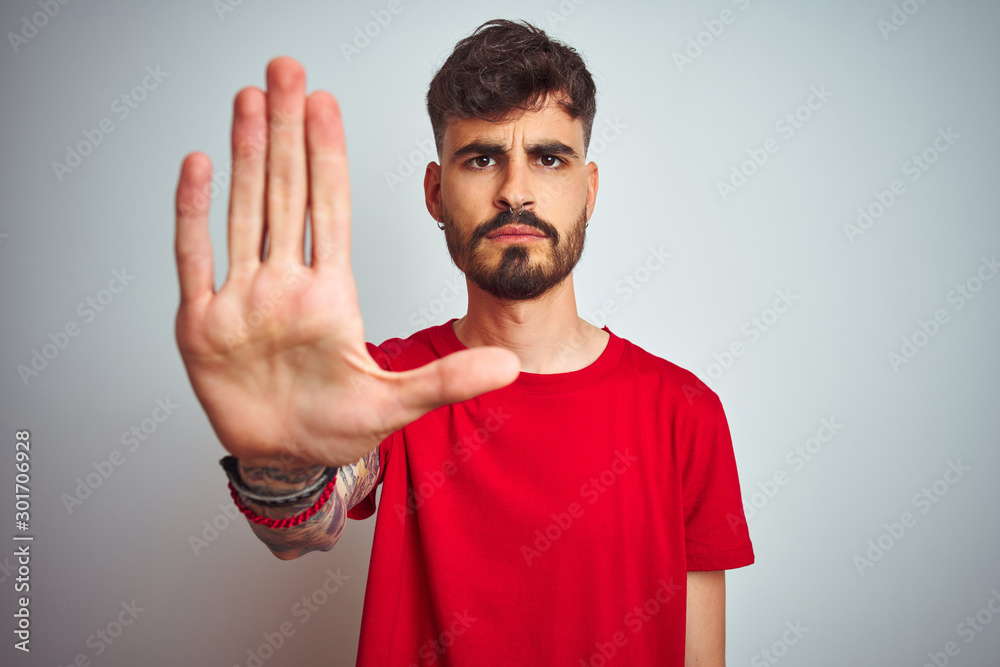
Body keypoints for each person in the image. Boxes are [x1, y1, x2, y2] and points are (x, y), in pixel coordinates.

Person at [173, 18, 754, 667]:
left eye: (549, 157)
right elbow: (304, 528)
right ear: (434, 191)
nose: (515, 191)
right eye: (482, 158)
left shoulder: (686, 411)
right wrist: (277, 463)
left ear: (588, 191)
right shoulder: (387, 382)